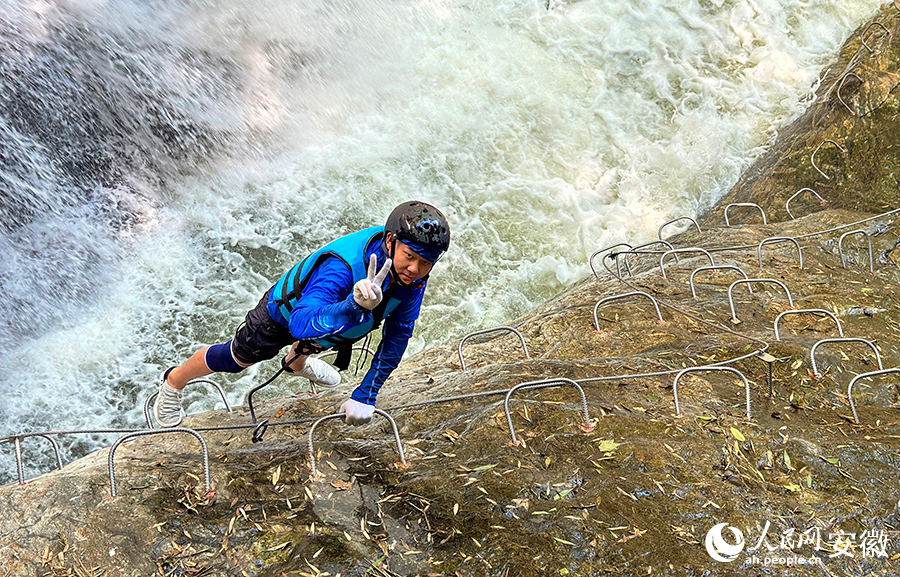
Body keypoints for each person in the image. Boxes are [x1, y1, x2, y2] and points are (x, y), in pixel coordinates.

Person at [154, 201, 450, 428]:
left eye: (425, 263)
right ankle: (173, 382)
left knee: (310, 345)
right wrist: (354, 307)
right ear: (390, 242)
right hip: (282, 316)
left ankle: (297, 364)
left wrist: (366, 393)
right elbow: (300, 323)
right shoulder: (342, 269)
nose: (415, 269)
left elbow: (398, 334)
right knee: (235, 360)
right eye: (409, 257)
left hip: (333, 323)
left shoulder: (412, 277)